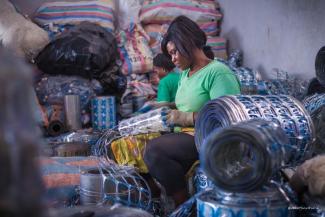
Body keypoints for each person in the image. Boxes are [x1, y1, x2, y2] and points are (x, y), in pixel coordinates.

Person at [143, 15, 241, 206]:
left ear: (187, 44)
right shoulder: (185, 74)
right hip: (185, 133)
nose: (172, 59)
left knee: (154, 150)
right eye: (169, 54)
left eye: (174, 53)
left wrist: (186, 117)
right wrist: (165, 108)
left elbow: (227, 116)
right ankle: (155, 199)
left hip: (209, 137)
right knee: (128, 143)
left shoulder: (217, 72)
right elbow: (188, 104)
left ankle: (184, 207)